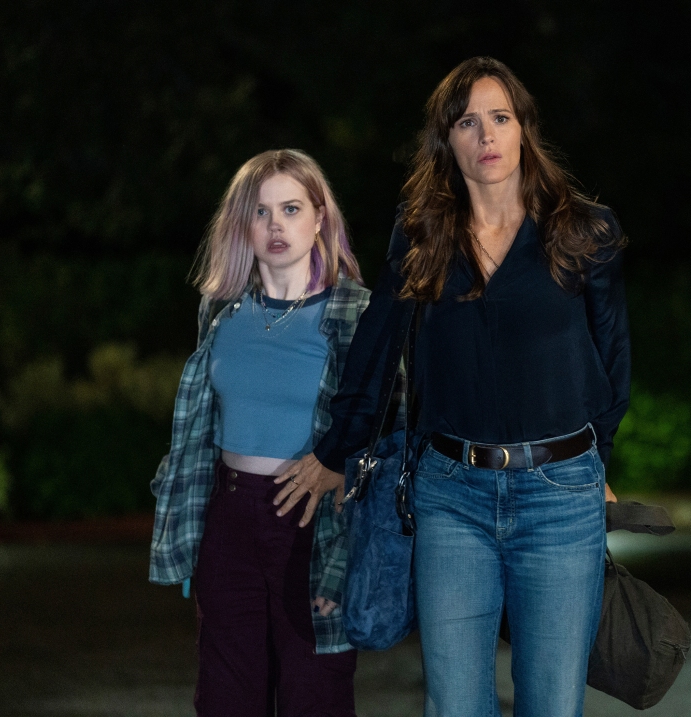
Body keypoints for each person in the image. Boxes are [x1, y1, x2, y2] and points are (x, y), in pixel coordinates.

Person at [277, 57, 630, 716]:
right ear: (448, 140)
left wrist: (599, 454)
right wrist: (334, 451)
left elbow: (611, 358)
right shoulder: (420, 235)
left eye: (499, 118)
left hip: (559, 499)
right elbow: (377, 348)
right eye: (467, 122)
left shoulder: (583, 231)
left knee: (552, 706)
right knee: (455, 706)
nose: (486, 135)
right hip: (450, 498)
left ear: (524, 129)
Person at [148, 149, 368, 717]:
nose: (276, 226)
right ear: (242, 223)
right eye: (262, 212)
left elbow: (386, 430)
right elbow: (199, 434)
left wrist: (344, 479)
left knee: (313, 695)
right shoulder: (219, 311)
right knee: (226, 698)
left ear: (319, 217)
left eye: (291, 209)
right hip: (230, 519)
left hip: (314, 522)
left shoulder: (355, 313)